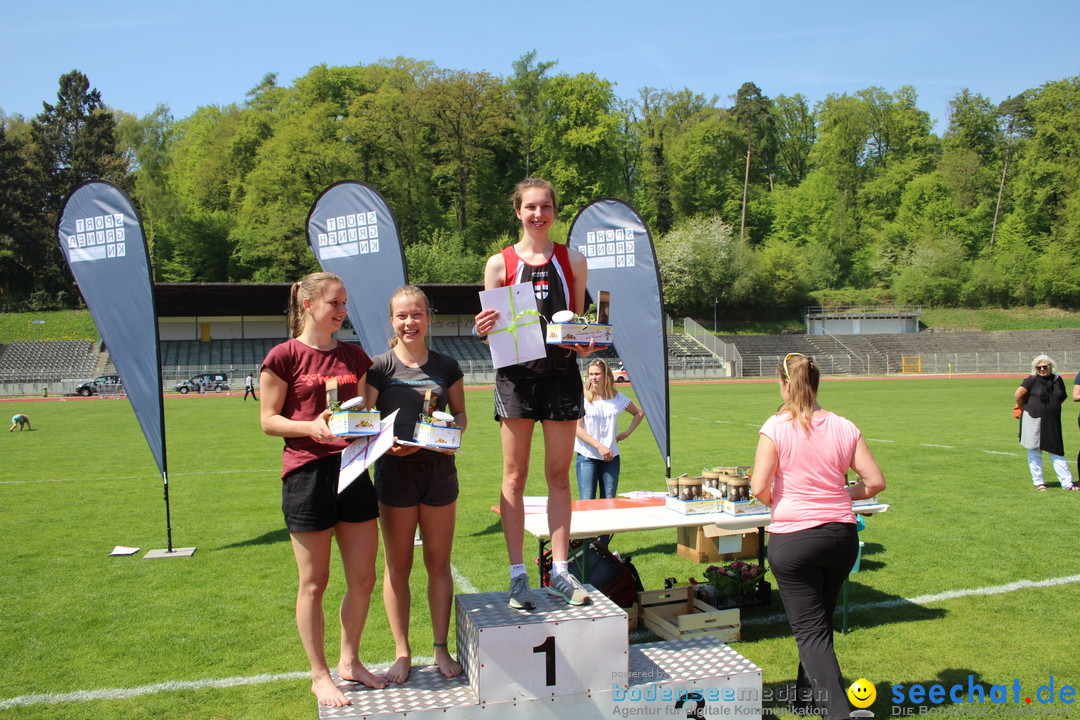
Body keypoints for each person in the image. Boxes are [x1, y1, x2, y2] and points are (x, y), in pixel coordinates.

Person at [259, 271, 386, 708]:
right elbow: (268, 420)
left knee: (364, 577)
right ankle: (319, 674)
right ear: (309, 305)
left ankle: (350, 661)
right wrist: (310, 427)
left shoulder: (355, 356)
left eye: (344, 303)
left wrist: (374, 426)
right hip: (307, 474)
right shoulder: (284, 356)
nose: (342, 310)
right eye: (334, 303)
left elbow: (369, 407)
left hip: (353, 471)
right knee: (315, 581)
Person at [472, 177, 598, 609]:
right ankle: (517, 575)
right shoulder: (498, 263)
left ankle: (561, 572)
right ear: (518, 211)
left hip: (562, 376)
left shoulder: (573, 260)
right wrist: (481, 328)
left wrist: (587, 342)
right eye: (530, 207)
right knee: (514, 476)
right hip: (516, 379)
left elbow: (579, 326)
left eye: (545, 207)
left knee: (559, 476)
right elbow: (491, 329)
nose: (538, 214)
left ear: (554, 211)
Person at [750, 353, 886, 720]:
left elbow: (759, 487)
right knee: (818, 624)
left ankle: (838, 714)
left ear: (783, 384)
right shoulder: (844, 426)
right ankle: (807, 699)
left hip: (795, 538)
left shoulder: (775, 427)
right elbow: (874, 483)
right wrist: (842, 494)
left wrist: (787, 499)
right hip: (840, 536)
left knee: (810, 634)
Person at [366, 285, 466, 683]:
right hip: (394, 475)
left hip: (439, 474)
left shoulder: (447, 364)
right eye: (402, 316)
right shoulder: (379, 368)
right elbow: (363, 422)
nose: (410, 322)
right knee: (398, 567)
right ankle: (402, 651)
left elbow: (460, 416)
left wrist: (448, 437)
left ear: (428, 318)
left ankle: (440, 649)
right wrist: (383, 443)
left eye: (417, 314)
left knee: (438, 564)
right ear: (392, 321)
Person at [574, 357, 645, 501]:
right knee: (587, 501)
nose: (593, 378)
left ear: (606, 375)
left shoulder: (617, 397)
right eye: (591, 374)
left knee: (609, 501)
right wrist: (599, 446)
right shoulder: (582, 397)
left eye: (597, 374)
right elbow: (577, 429)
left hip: (611, 457)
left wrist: (627, 432)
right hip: (587, 456)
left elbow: (639, 412)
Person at [1017, 354, 1076, 491]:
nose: (1042, 369)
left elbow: (1061, 397)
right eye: (1039, 367)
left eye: (1045, 366)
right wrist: (1025, 407)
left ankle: (1067, 484)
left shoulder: (1057, 380)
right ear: (1035, 368)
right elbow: (1018, 395)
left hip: (1052, 420)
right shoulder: (1031, 380)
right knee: (1034, 450)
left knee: (1057, 450)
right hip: (1033, 419)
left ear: (1051, 366)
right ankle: (1038, 482)